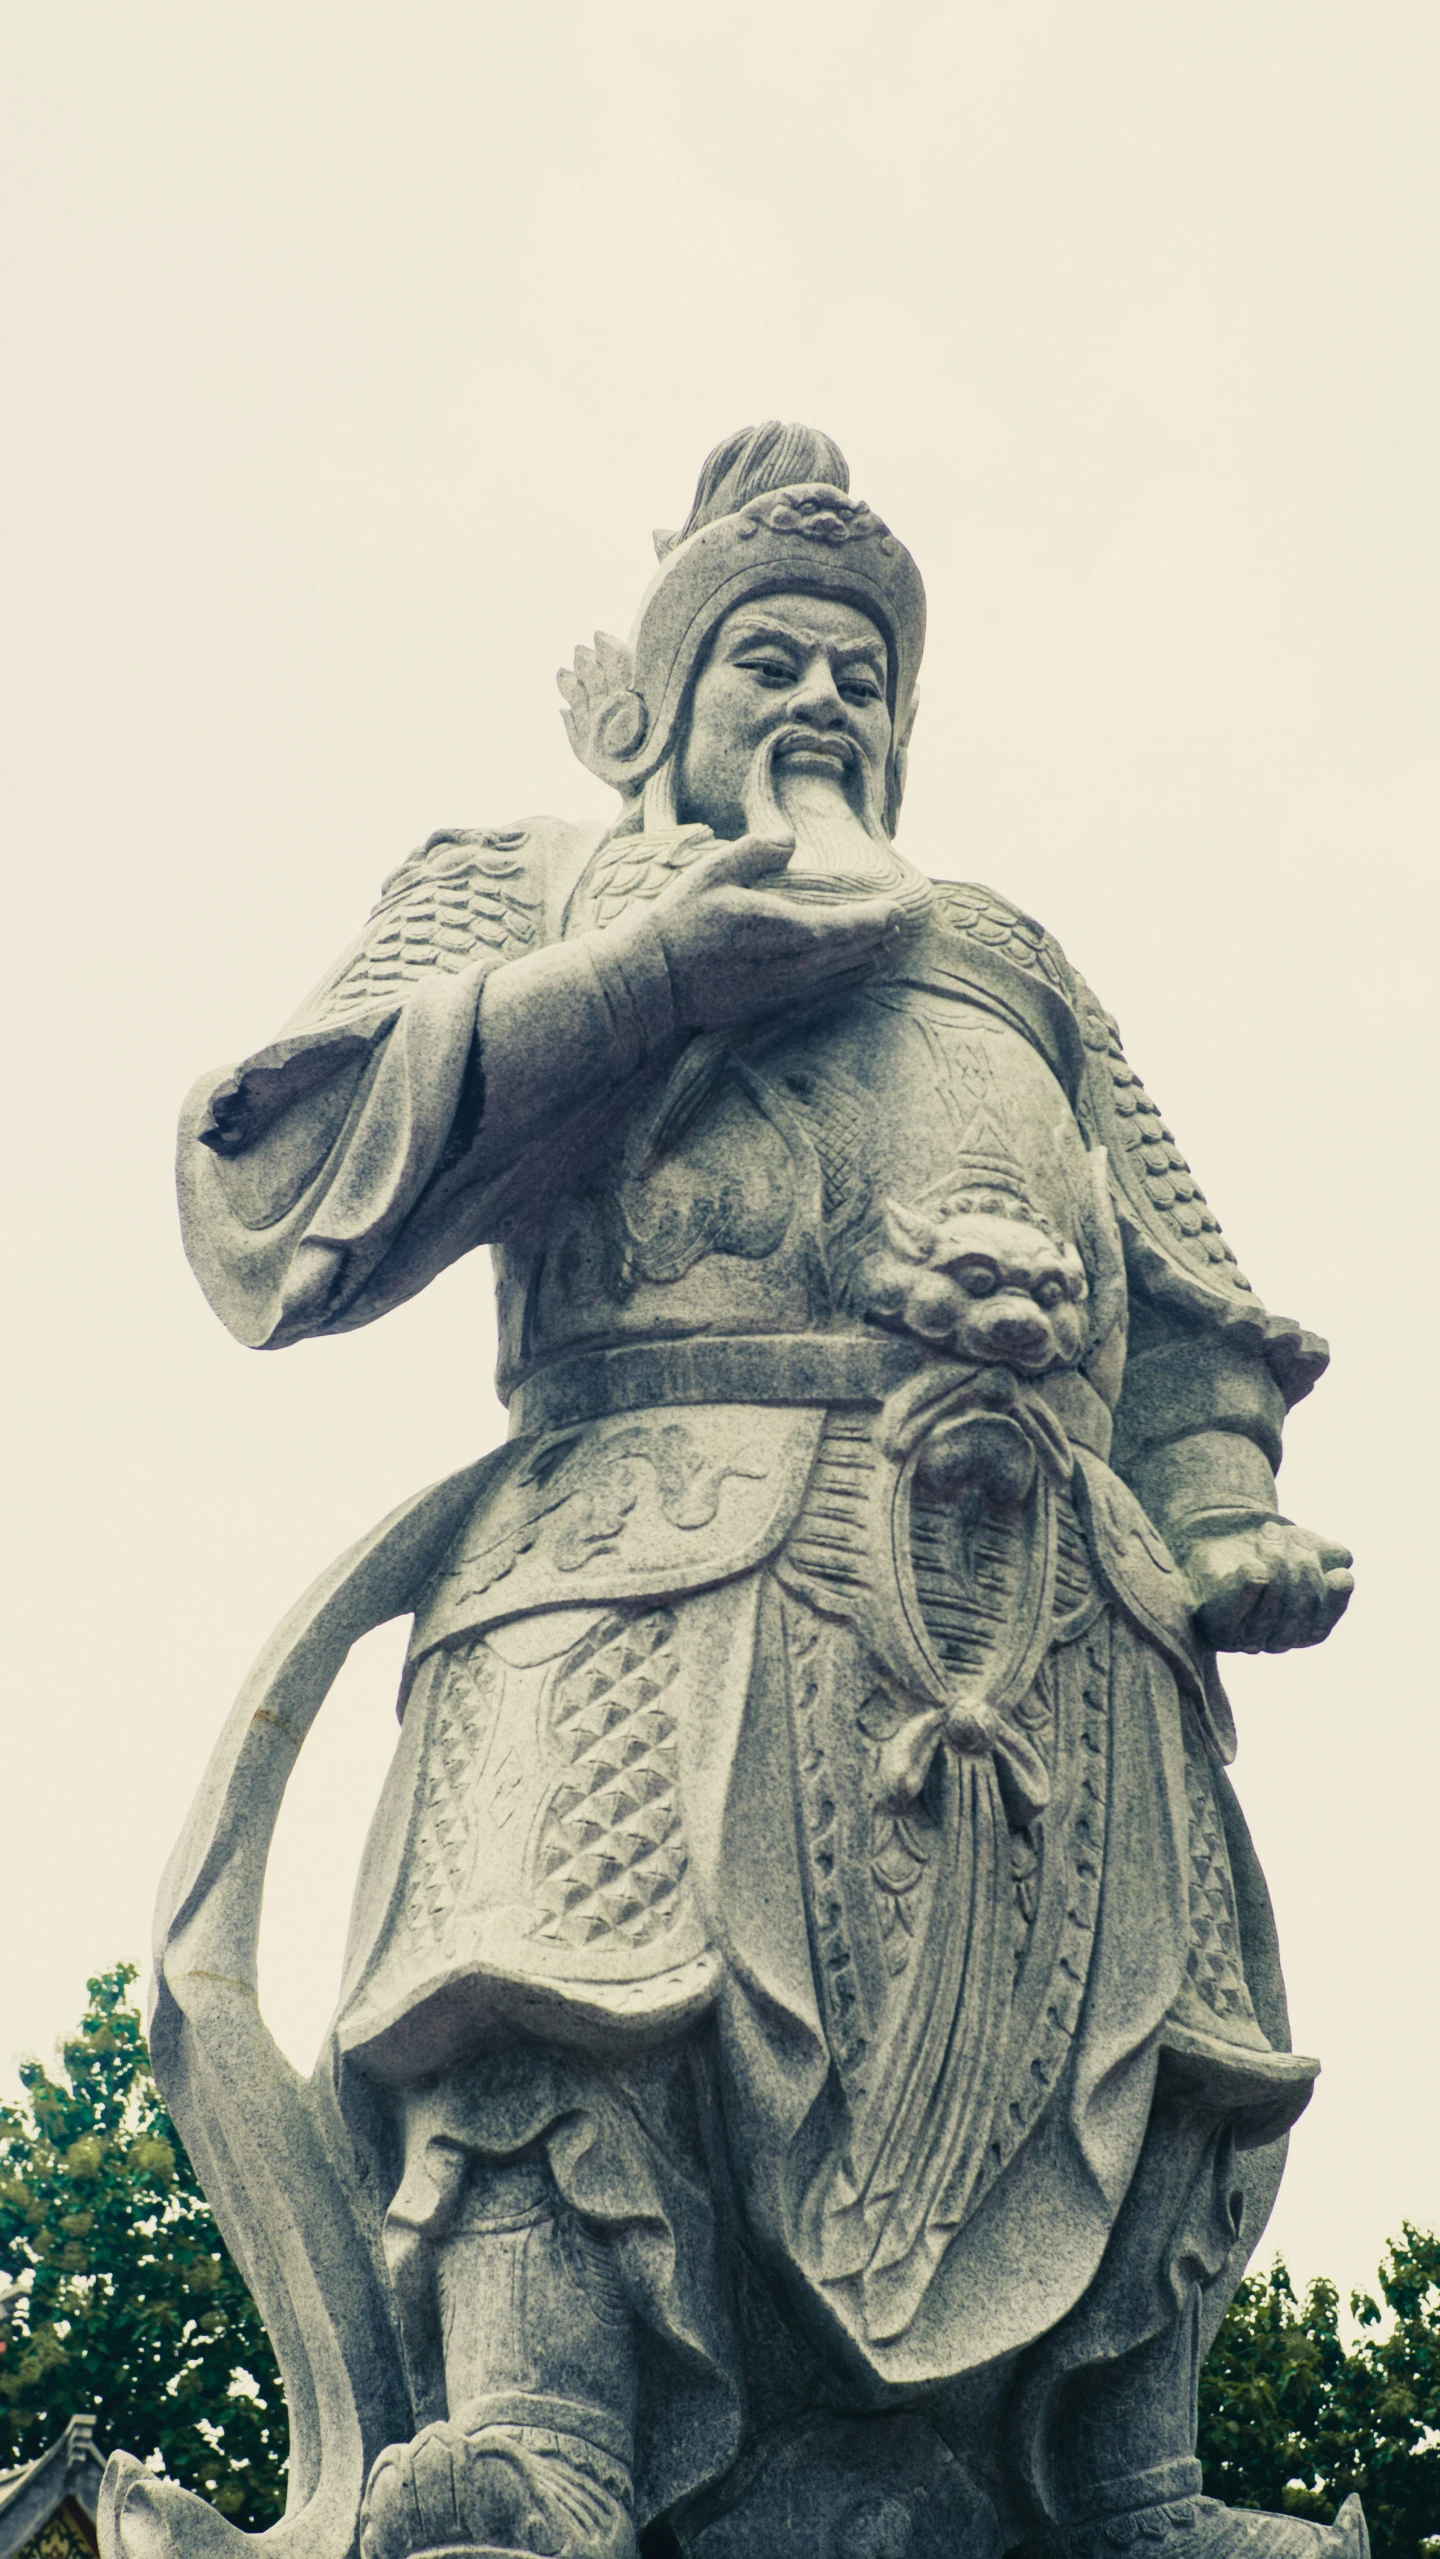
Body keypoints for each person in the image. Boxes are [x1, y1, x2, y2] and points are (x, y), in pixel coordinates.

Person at [172, 426, 1360, 2559]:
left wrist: (1212, 1491)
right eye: (772, 664)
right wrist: (645, 986)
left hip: (1035, 1596)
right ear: (666, 703)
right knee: (555, 1968)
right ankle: (548, 2423)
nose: (825, 705)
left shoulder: (1008, 957)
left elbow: (1183, 1288)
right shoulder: (533, 883)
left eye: (861, 679)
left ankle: (1127, 2464)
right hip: (642, 1553)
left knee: (1165, 2021)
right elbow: (275, 1182)